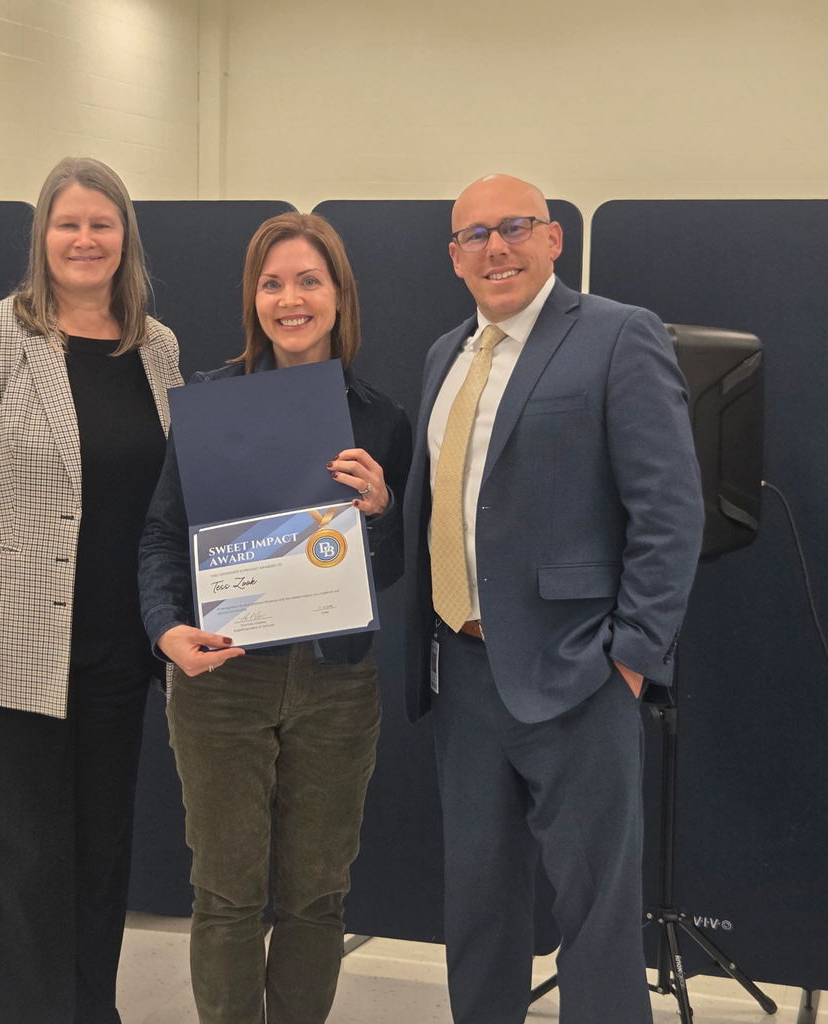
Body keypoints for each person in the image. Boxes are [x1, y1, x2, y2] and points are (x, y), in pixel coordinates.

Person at [402, 174, 705, 1024]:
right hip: (461, 669)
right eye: (474, 236)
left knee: (596, 922)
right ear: (455, 257)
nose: (495, 248)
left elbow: (670, 509)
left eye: (514, 228)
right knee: (479, 914)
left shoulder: (617, 336)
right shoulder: (445, 355)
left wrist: (632, 658)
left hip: (578, 674)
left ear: (553, 239)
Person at [0, 156, 182, 1024]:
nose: (85, 239)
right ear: (43, 236)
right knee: (11, 873)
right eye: (69, 223)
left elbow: (176, 497)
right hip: (1, 656)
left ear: (125, 239)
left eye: (103, 224)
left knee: (99, 862)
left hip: (115, 656)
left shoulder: (157, 346)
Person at [138, 212, 411, 1024]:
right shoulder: (211, 405)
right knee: (225, 894)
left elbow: (386, 574)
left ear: (339, 295)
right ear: (253, 297)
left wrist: (381, 511)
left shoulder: (380, 418)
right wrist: (164, 626)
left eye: (308, 281)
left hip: (335, 686)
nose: (290, 299)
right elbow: (161, 533)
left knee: (316, 897)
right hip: (222, 678)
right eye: (272, 282)